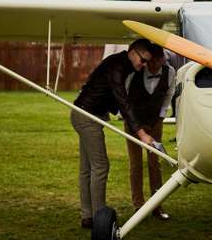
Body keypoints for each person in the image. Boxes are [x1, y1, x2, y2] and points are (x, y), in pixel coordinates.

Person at [71, 39, 155, 229]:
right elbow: (122, 100)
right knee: (100, 167)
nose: (143, 66)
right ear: (132, 52)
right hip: (86, 116)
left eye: (146, 63)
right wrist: (141, 134)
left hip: (89, 114)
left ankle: (88, 216)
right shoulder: (117, 66)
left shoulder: (123, 65)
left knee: (88, 169)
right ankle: (100, 218)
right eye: (142, 60)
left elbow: (123, 101)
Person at [124, 43, 176, 220]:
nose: (154, 66)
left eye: (158, 62)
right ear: (146, 61)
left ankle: (156, 206)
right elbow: (125, 98)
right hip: (133, 123)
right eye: (151, 62)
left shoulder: (170, 73)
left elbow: (168, 95)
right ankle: (138, 206)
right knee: (136, 165)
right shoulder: (134, 73)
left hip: (155, 123)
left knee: (155, 164)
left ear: (162, 59)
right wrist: (135, 125)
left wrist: (160, 118)